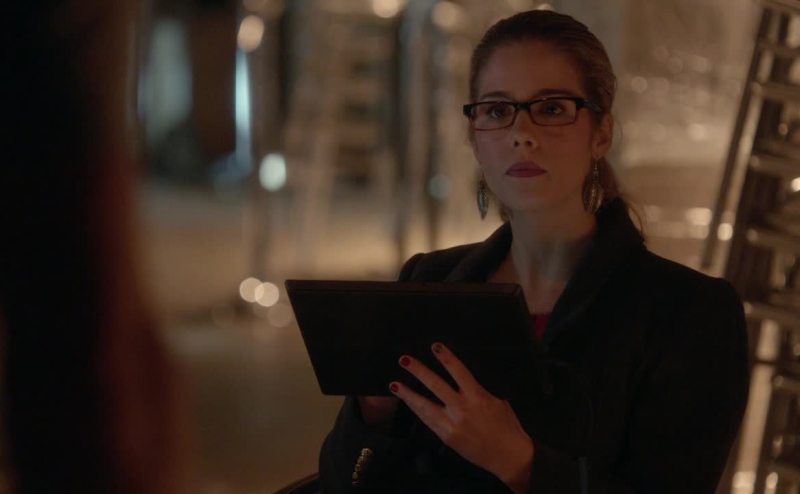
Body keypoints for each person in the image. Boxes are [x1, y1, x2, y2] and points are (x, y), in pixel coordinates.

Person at [319, 9, 749, 493]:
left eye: (552, 108)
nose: (521, 133)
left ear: (601, 133)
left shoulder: (689, 312)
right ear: (474, 137)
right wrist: (373, 414)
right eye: (497, 111)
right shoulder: (429, 281)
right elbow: (342, 484)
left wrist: (519, 462)